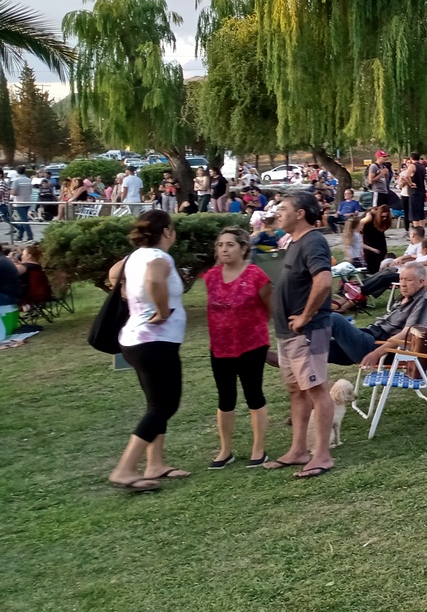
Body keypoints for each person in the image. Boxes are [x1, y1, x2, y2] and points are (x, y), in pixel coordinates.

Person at [105, 210, 190, 491]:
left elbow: (113, 274)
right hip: (155, 341)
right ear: (166, 231)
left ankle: (155, 464)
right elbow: (154, 280)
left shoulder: (135, 256)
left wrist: (129, 290)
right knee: (167, 405)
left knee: (156, 404)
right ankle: (126, 468)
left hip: (135, 340)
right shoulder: (159, 257)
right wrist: (163, 311)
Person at [263, 192, 334, 479]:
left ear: (301, 213)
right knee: (297, 390)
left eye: (283, 209)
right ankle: (298, 450)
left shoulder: (313, 241)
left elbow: (324, 280)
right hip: (287, 334)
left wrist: (305, 315)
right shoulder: (293, 242)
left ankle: (322, 455)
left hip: (308, 331)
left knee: (316, 389)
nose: (278, 214)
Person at [202, 227, 272, 469]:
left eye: (230, 244)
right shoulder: (210, 276)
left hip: (251, 344)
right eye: (220, 245)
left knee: (254, 394)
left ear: (243, 248)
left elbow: (268, 306)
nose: (224, 249)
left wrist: (253, 327)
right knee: (225, 397)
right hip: (220, 346)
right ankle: (225, 450)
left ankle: (258, 448)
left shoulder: (256, 275)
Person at [327, 262, 427, 366]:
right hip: (370, 337)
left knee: (335, 319)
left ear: (421, 282)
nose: (403, 284)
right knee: (316, 349)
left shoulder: (424, 301)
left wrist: (376, 354)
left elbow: (408, 334)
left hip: (377, 347)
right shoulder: (405, 298)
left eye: (408, 280)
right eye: (401, 279)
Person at [359, 204, 391, 273]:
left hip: (380, 240)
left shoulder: (383, 222)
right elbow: (360, 223)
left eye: (386, 217)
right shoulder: (370, 217)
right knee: (371, 260)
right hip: (369, 240)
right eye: (382, 216)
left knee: (382, 258)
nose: (384, 218)